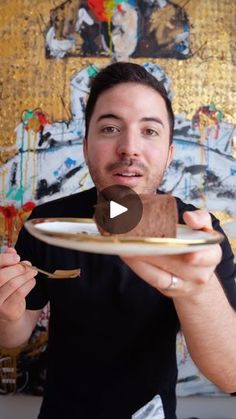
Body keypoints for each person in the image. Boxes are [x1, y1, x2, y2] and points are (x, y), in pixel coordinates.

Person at [0, 62, 236, 419]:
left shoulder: (196, 234)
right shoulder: (49, 224)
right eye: (110, 128)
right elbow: (13, 336)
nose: (129, 148)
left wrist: (196, 289)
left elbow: (230, 374)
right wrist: (7, 310)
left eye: (150, 131)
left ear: (170, 152)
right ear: (86, 145)